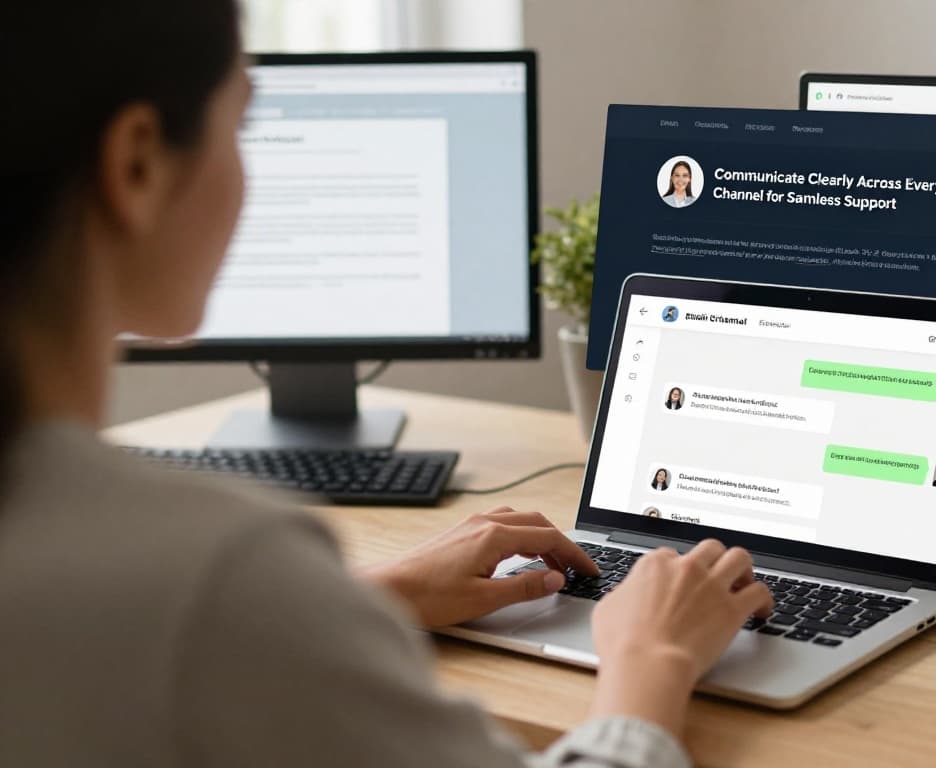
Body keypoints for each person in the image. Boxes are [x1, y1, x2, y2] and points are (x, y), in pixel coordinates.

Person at [0, 4, 772, 765]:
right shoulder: (215, 568)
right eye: (241, 128)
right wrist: (652, 661)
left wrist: (361, 601)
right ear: (136, 164)